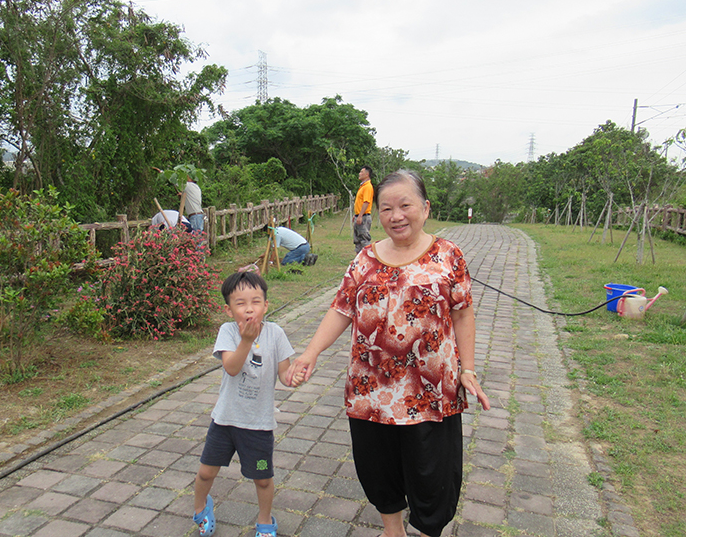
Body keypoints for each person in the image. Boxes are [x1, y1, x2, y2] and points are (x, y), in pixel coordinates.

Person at [287, 169, 491, 537]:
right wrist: (310, 353)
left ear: (425, 208)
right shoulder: (365, 258)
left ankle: (427, 531)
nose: (396, 216)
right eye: (386, 208)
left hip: (430, 391)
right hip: (371, 390)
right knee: (377, 466)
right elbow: (341, 309)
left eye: (405, 205)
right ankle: (392, 530)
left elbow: (462, 313)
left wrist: (469, 369)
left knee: (433, 473)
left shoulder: (448, 256)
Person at [193, 271, 305, 537]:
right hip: (225, 421)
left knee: (263, 479)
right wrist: (245, 340)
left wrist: (294, 377)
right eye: (240, 303)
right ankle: (200, 508)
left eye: (255, 301)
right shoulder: (228, 332)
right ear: (229, 310)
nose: (249, 309)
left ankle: (265, 521)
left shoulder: (275, 333)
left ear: (266, 305)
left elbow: (284, 374)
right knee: (206, 473)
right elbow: (231, 368)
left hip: (259, 424)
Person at [353, 165, 374, 254]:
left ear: (367, 174)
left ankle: (367, 259)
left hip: (364, 217)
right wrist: (356, 215)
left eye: (361, 172)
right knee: (357, 239)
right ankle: (358, 260)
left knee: (364, 239)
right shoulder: (362, 186)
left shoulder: (368, 186)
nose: (359, 173)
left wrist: (360, 215)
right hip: (359, 216)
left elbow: (366, 202)